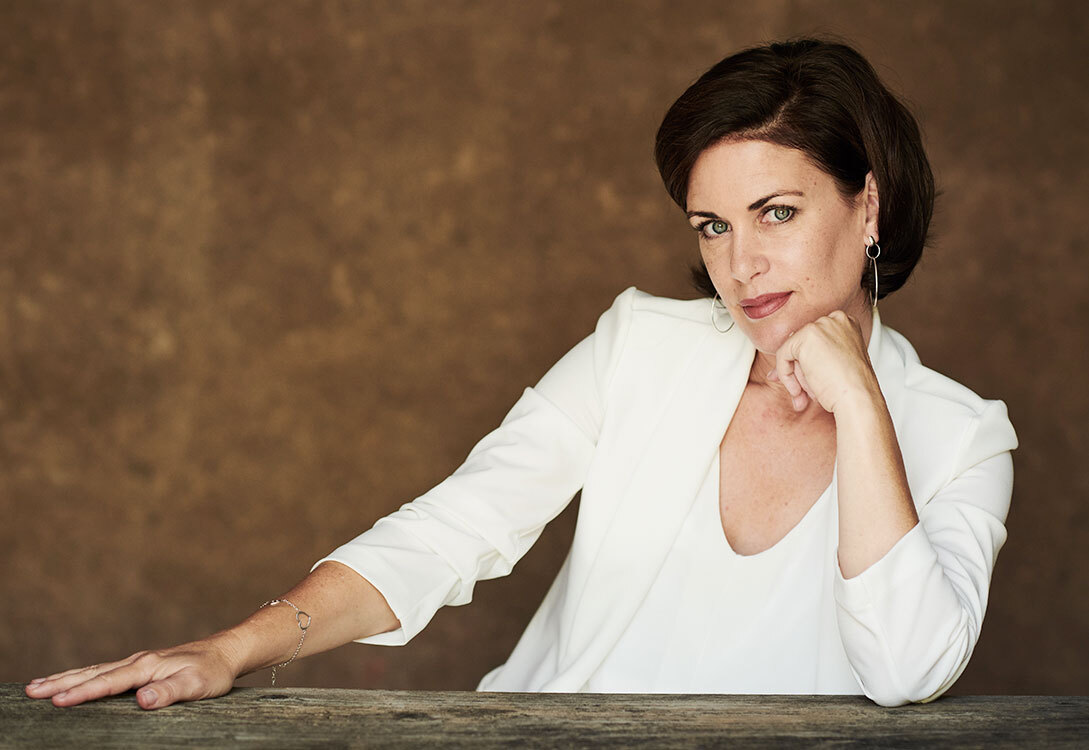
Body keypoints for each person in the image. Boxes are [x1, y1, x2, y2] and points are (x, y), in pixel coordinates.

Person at [26, 38, 1016, 710]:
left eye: (778, 213)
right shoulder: (643, 347)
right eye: (712, 226)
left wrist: (861, 404)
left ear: (868, 206)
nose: (741, 263)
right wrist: (232, 649)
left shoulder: (963, 437)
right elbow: (458, 525)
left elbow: (907, 670)